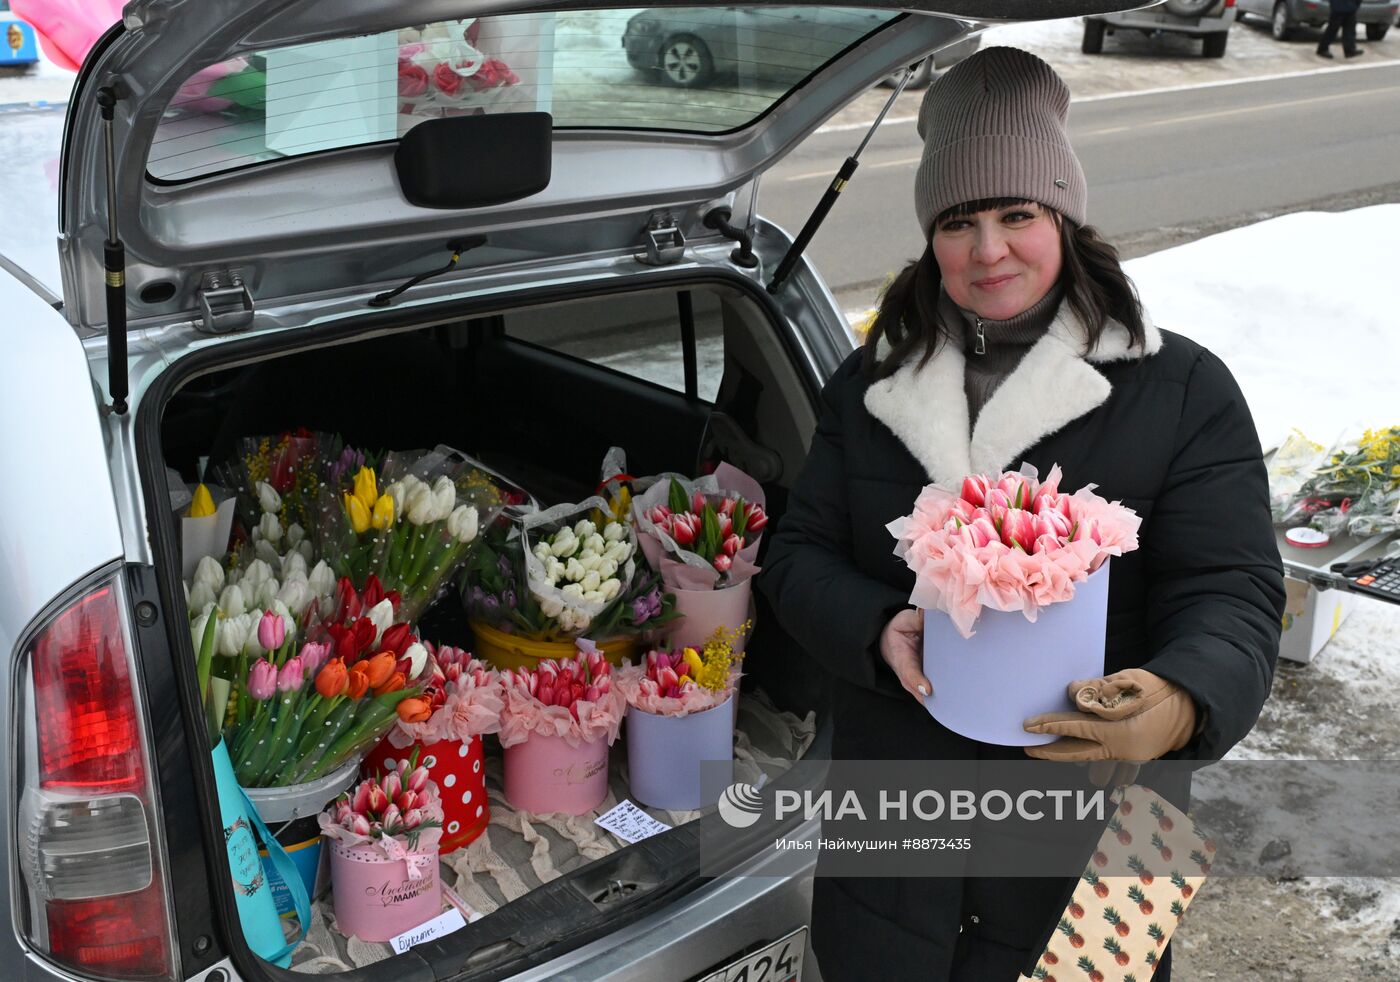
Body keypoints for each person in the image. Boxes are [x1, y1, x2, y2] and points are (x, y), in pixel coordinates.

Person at [759, 47, 1284, 981]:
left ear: (1065, 218)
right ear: (931, 236)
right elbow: (799, 554)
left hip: (1110, 830)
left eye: (1017, 215)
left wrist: (1180, 701)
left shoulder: (1182, 388)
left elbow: (1232, 587)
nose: (988, 249)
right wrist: (879, 628)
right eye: (959, 221)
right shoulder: (873, 385)